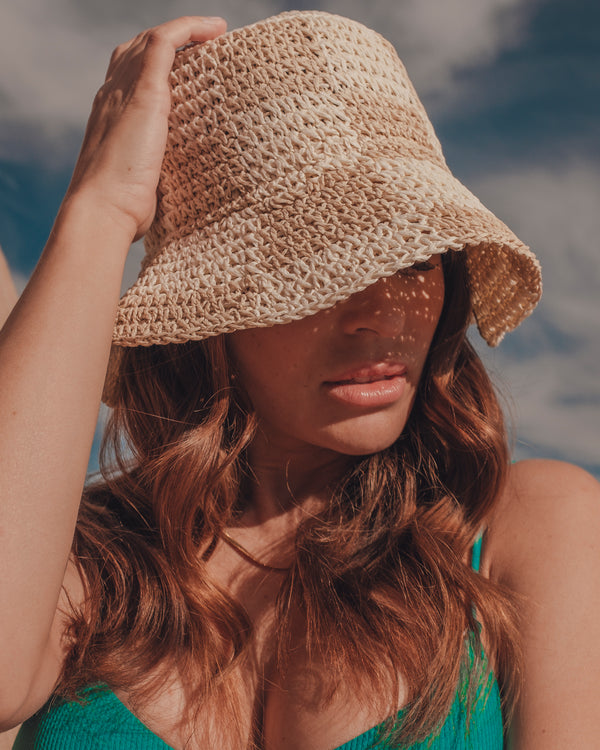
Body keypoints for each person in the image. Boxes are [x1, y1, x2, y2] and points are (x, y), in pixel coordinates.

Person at [0, 10, 599, 750]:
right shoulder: (95, 559)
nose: (379, 315)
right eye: (317, 269)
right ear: (210, 310)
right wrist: (100, 208)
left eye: (414, 258)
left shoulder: (521, 526)